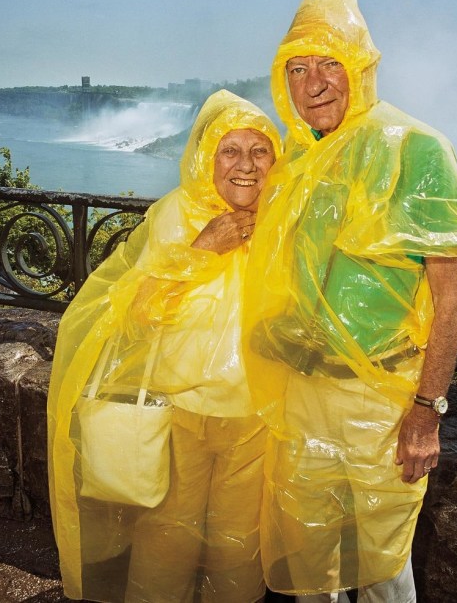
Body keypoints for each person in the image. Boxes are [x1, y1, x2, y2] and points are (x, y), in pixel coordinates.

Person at [242, 0, 457, 602]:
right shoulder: (296, 161)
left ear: (360, 68)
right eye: (298, 67)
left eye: (331, 63)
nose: (315, 82)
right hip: (299, 393)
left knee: (382, 570)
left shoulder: (415, 148)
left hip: (378, 403)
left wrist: (426, 411)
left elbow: (449, 302)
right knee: (309, 568)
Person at [47, 89, 281, 603]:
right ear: (206, 158)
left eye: (259, 151)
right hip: (179, 413)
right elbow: (137, 311)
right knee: (165, 542)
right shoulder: (176, 214)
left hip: (257, 419)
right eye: (229, 150)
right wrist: (202, 249)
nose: (245, 165)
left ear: (275, 160)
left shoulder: (287, 220)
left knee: (238, 549)